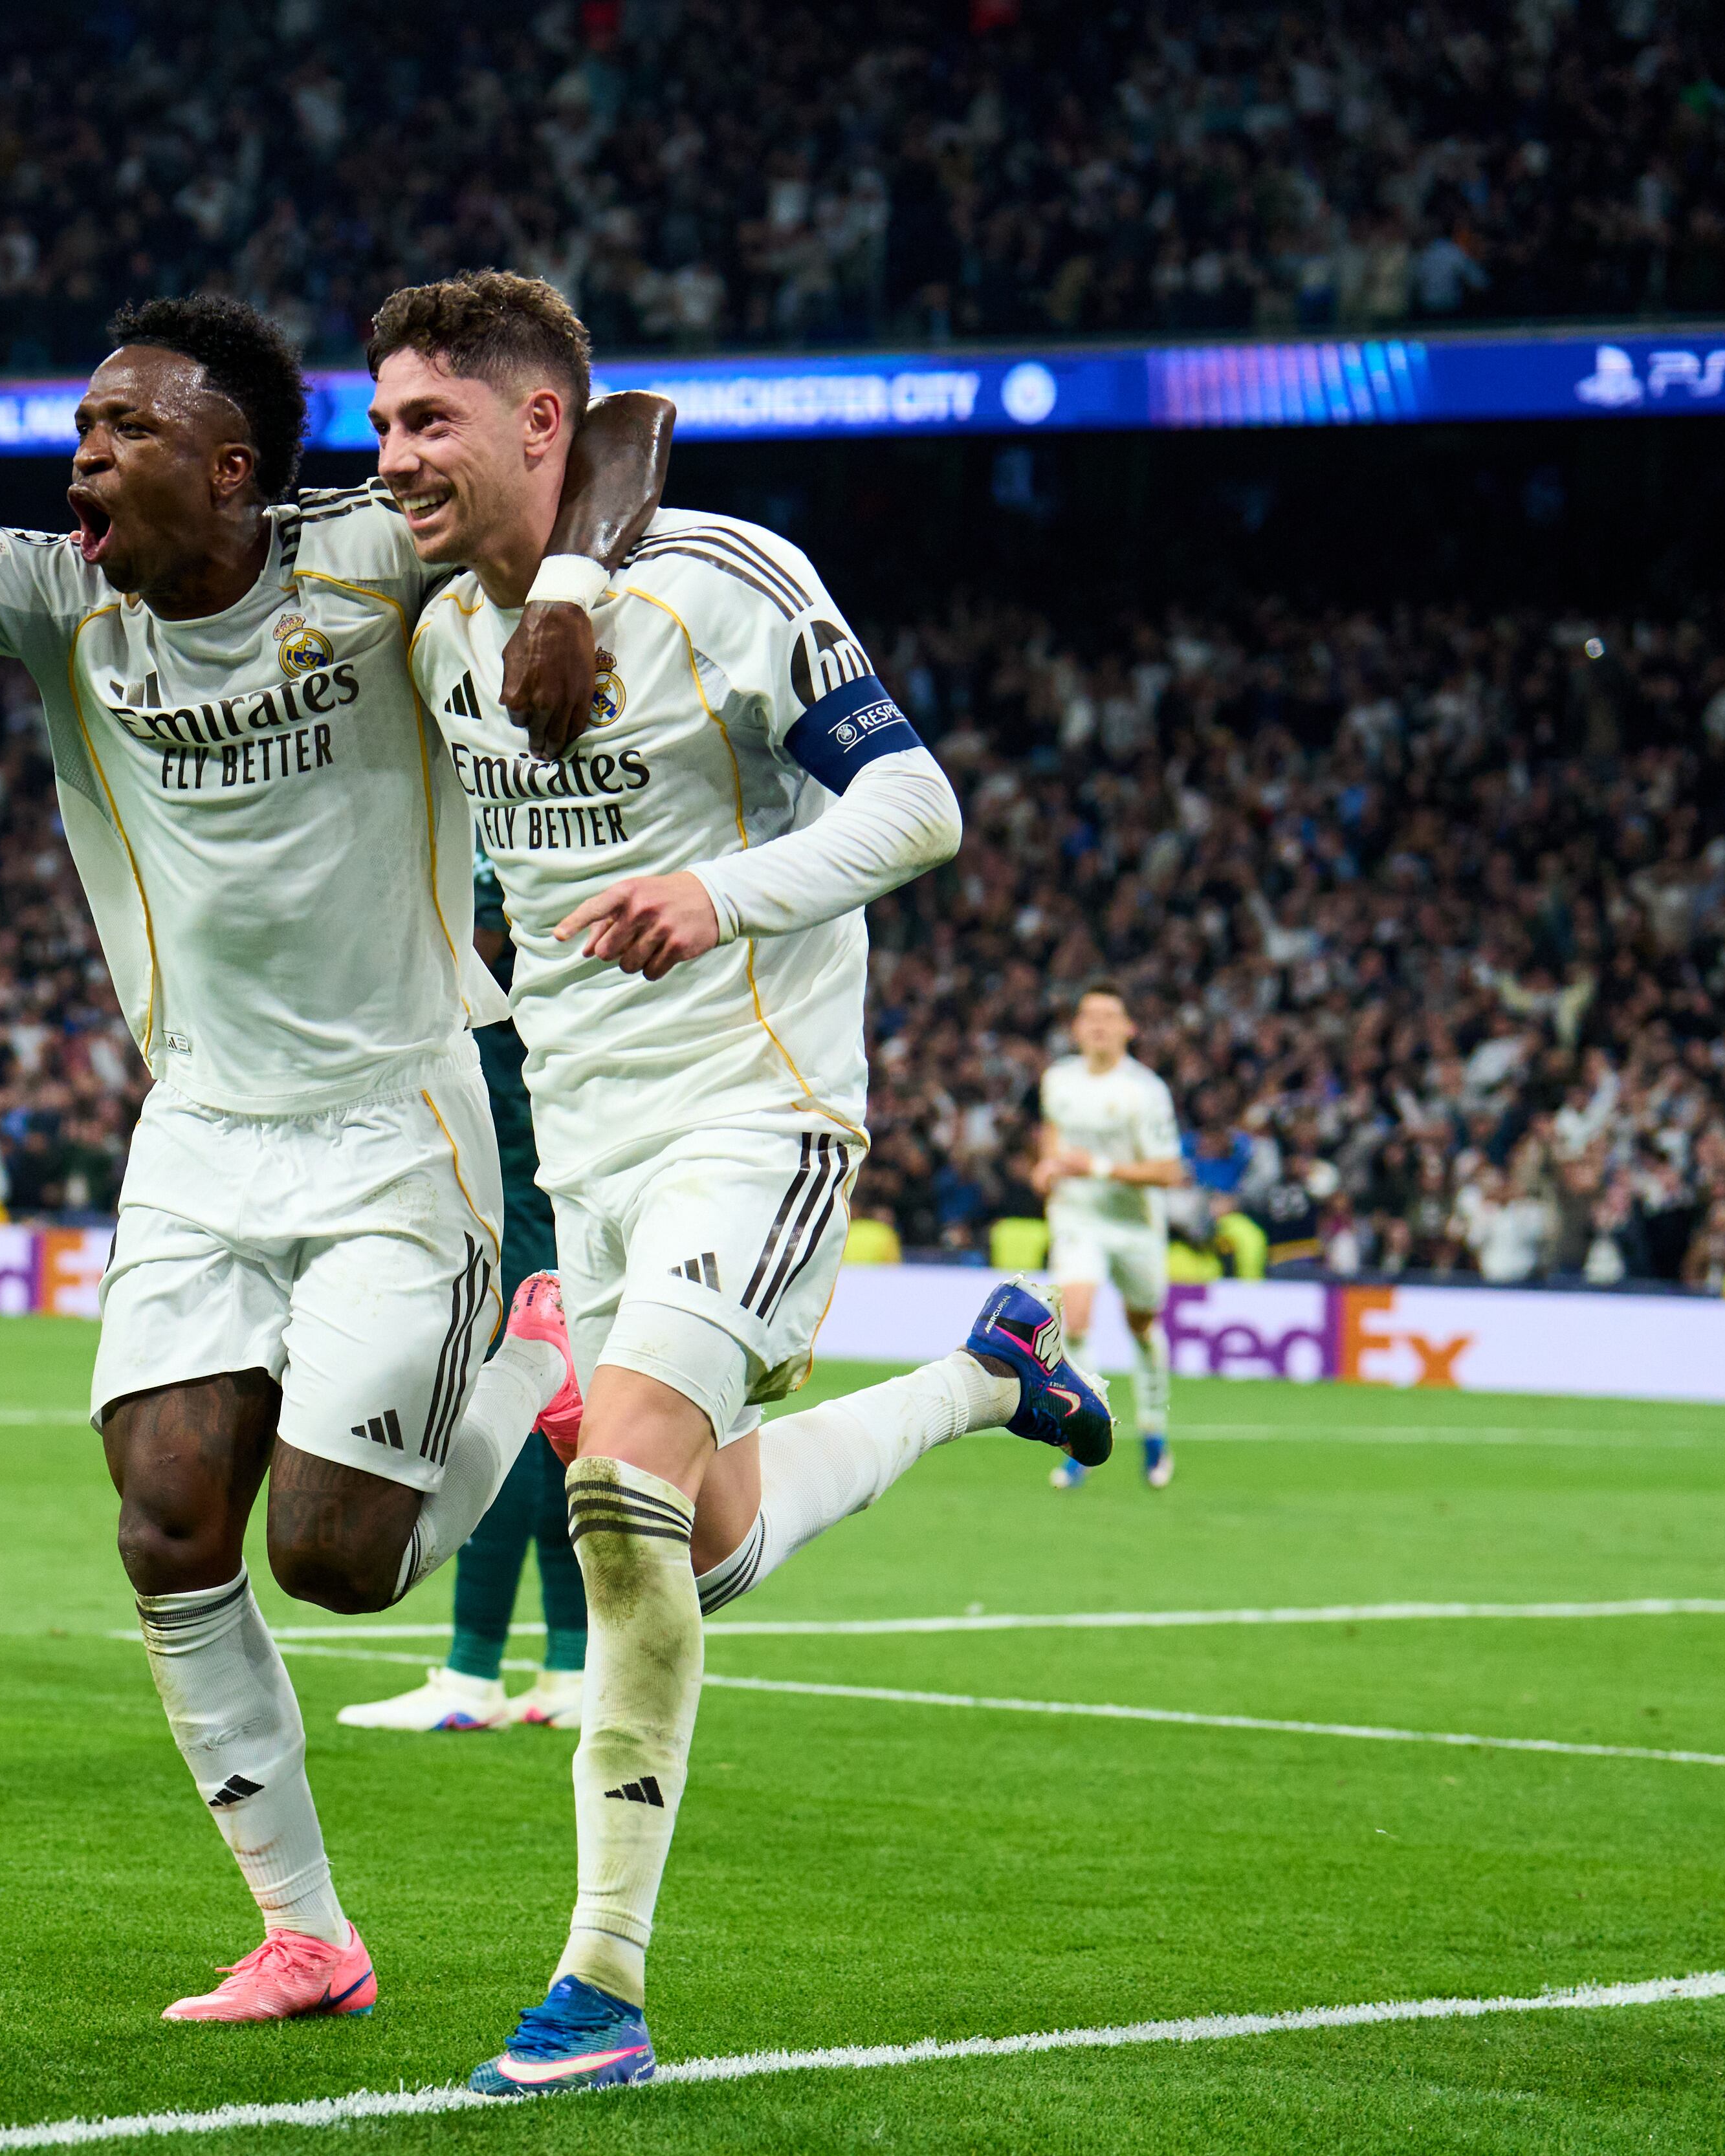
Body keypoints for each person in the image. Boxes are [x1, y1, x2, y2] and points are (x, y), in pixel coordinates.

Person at [0, 156, 676, 2023]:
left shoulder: (368, 550)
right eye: (77, 424)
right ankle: (305, 1928)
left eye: (126, 427)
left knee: (335, 1561)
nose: (82, 456)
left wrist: (559, 587)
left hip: (401, 1116)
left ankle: (539, 1358)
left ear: (234, 469)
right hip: (202, 1132)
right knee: (163, 1520)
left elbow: (618, 424)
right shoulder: (63, 604)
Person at [369, 270, 1111, 2098]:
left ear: (543, 421)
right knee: (691, 1533)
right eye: (380, 423)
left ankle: (599, 1985)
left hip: (755, 1109)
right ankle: (985, 1377)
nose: (392, 459)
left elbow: (916, 806)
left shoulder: (731, 579)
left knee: (618, 1485)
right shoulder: (429, 623)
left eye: (428, 421)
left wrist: (726, 891)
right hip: (586, 1139)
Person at [339, 860, 587, 1734]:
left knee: (511, 1422)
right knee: (564, 1425)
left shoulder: (485, 999)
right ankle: (571, 1667)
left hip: (512, 1212)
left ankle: (475, 1671)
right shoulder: (553, 983)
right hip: (563, 1214)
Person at [1033, 981, 1189, 1488]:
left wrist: (1094, 1166)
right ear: (1076, 1027)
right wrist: (1048, 1166)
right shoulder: (1057, 1079)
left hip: (1135, 1225)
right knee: (1074, 1317)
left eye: (1109, 1016)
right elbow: (1053, 1131)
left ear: (1129, 1028)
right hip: (1078, 1218)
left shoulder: (1145, 1091)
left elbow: (1168, 1172)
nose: (1098, 1024)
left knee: (1142, 1325)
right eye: (1089, 1015)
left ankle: (1155, 1433)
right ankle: (1085, 1439)